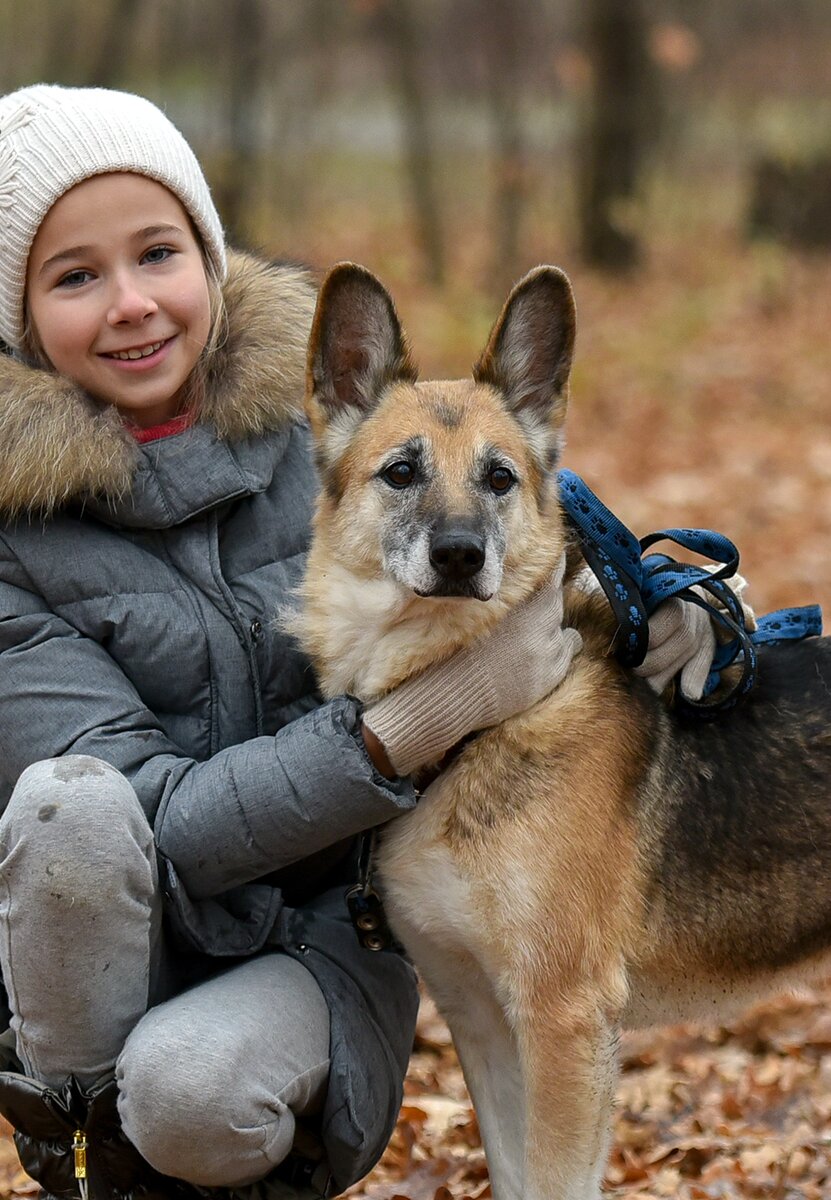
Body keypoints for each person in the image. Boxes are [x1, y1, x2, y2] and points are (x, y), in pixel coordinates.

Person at [0, 85, 722, 1199]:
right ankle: (88, 1147)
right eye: (76, 275)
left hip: (327, 935)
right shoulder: (15, 543)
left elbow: (494, 509)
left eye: (158, 252)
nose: (134, 303)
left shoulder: (332, 433)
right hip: (127, 946)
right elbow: (158, 822)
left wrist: (655, 590)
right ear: (20, 315)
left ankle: (255, 1143)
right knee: (72, 809)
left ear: (211, 256)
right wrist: (410, 725)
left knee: (191, 1092)